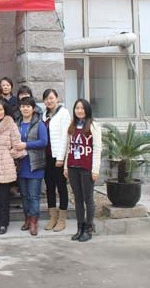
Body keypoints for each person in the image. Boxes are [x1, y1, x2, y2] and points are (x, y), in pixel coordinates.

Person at [64, 98, 102, 242]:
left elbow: (97, 148)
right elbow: (69, 147)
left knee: (88, 199)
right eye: (77, 108)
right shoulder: (72, 125)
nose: (79, 111)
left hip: (87, 167)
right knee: (78, 199)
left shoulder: (93, 126)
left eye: (82, 108)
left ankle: (88, 228)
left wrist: (95, 170)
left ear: (87, 110)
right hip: (73, 166)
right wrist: (66, 166)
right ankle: (80, 228)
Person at [0, 100, 26, 235]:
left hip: (4, 162)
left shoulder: (11, 124)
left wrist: (11, 154)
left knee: (3, 196)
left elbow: (17, 143)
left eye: (0, 110)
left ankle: (4, 223)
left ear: (5, 111)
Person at [14, 97, 48, 236]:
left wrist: (26, 145)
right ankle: (27, 219)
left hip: (35, 165)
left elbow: (44, 142)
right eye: (23, 106)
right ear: (20, 108)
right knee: (24, 195)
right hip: (21, 165)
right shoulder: (17, 123)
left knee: (34, 195)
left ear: (33, 108)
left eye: (28, 106)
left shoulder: (39, 124)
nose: (25, 108)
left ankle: (34, 222)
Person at [42, 88, 72, 232]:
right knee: (49, 187)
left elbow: (65, 137)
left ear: (57, 98)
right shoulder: (45, 115)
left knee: (61, 187)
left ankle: (62, 219)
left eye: (51, 98)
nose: (49, 101)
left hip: (58, 157)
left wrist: (61, 158)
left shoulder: (63, 113)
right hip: (46, 157)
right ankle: (52, 217)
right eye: (46, 99)